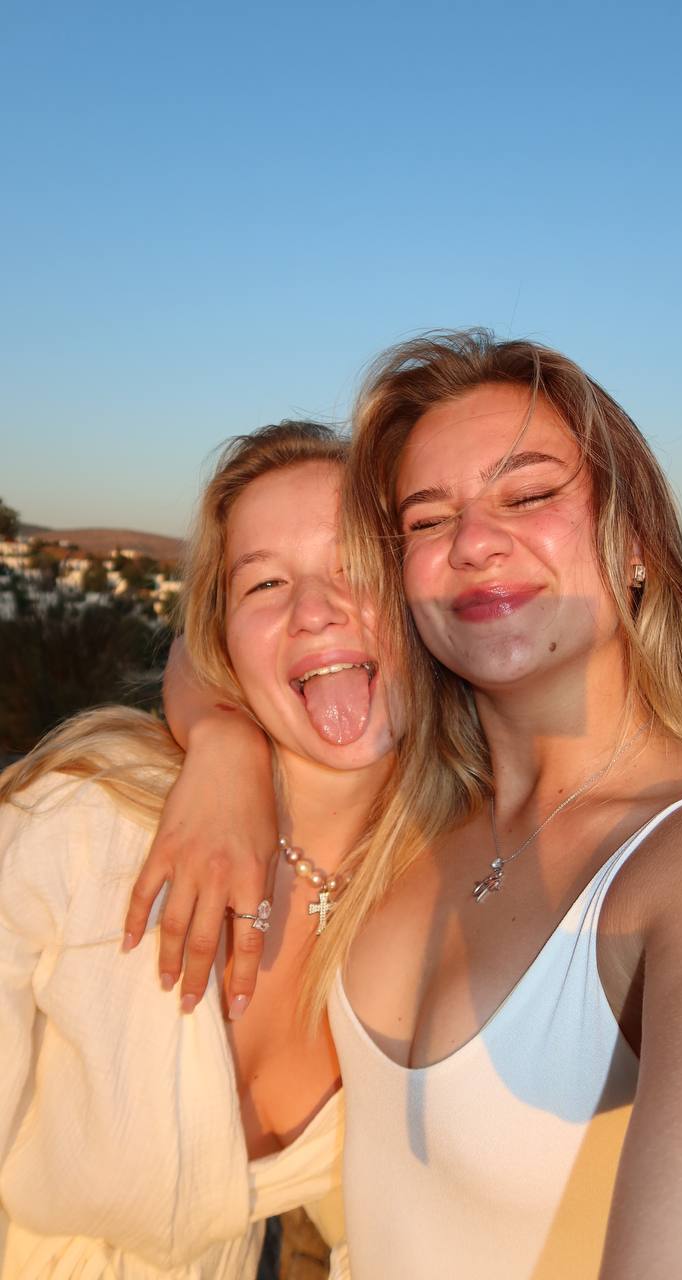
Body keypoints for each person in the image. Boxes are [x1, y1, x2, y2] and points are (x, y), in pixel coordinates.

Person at [131, 334, 682, 1279]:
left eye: (529, 494)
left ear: (635, 541)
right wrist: (222, 742)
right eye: (427, 520)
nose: (473, 542)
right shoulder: (406, 811)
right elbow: (217, 643)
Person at [0, 421, 399, 1278]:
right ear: (222, 639)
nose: (315, 609)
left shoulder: (453, 888)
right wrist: (222, 736)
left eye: (357, 568)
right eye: (265, 582)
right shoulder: (85, 824)